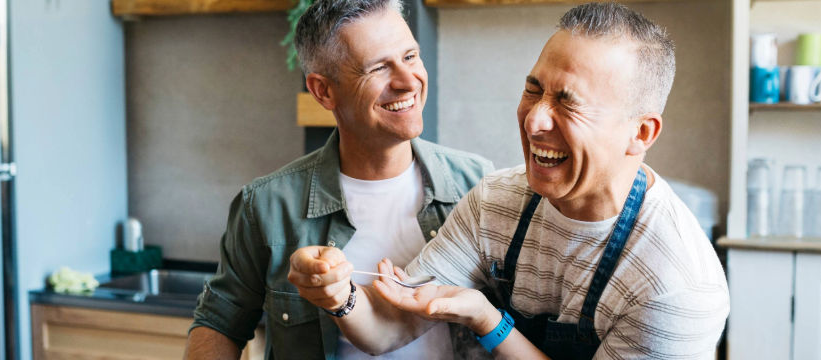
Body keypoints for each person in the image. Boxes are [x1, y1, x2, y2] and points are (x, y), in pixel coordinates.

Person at [287, 2, 730, 359]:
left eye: (567, 102)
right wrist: (338, 295)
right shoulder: (496, 201)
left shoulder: (676, 286)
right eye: (534, 89)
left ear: (641, 133)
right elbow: (390, 327)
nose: (534, 120)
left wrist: (489, 322)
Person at [182, 0, 496, 358]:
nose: (408, 81)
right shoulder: (266, 206)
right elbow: (219, 323)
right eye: (378, 68)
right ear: (323, 91)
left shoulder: (481, 185)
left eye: (410, 57)